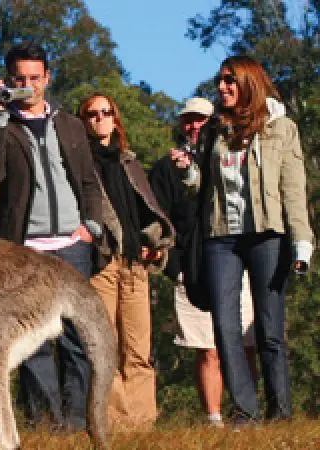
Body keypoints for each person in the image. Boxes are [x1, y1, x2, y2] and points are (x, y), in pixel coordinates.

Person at [171, 55, 313, 428]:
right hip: (222, 238)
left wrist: (301, 243)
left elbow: (293, 189)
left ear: (249, 82)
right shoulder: (217, 129)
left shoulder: (282, 128)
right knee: (224, 324)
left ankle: (280, 412)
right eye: (220, 81)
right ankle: (245, 412)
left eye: (229, 81)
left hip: (268, 235)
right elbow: (204, 189)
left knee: (268, 326)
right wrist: (188, 172)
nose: (222, 88)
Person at [0, 42, 104, 432]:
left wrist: (90, 228)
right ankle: (46, 423)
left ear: (47, 78)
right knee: (31, 344)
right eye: (19, 79)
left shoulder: (69, 124)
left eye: (35, 78)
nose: (28, 85)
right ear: (8, 80)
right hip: (23, 250)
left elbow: (87, 180)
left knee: (77, 340)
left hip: (72, 245)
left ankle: (79, 422)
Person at [149, 97, 258, 428]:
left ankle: (248, 413)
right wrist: (174, 266)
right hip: (192, 270)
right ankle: (214, 419)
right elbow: (156, 218)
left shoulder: (232, 158)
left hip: (237, 262)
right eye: (188, 120)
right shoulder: (165, 168)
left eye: (200, 120)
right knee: (207, 349)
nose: (193, 126)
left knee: (244, 344)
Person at [78, 93, 175, 432]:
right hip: (103, 264)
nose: (100, 118)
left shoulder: (128, 161)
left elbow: (146, 209)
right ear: (84, 121)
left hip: (135, 265)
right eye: (92, 114)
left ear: (115, 118)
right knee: (107, 346)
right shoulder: (81, 166)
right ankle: (116, 423)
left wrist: (155, 242)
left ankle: (143, 423)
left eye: (106, 112)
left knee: (138, 349)